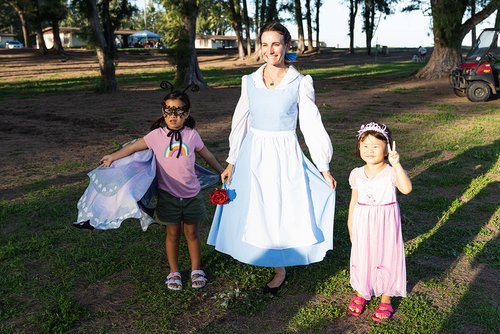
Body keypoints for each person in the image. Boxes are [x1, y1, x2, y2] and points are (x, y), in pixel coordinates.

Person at [207, 22, 336, 295]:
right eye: (265, 45)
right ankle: (255, 251)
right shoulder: (249, 81)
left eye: (276, 44)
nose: (270, 50)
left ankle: (280, 268)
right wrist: (231, 159)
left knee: (280, 208)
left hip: (284, 151)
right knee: (254, 207)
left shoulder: (299, 82)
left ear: (286, 46)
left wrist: (323, 166)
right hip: (254, 151)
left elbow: (311, 125)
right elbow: (240, 121)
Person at [100, 88, 224, 290]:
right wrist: (113, 156)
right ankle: (174, 272)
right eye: (169, 111)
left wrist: (221, 171)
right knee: (172, 235)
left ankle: (196, 270)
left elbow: (207, 155)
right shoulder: (155, 136)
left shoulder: (192, 136)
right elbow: (132, 148)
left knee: (192, 234)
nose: (173, 116)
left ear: (187, 113)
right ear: (163, 111)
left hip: (192, 196)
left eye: (179, 111)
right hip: (168, 197)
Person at [346, 122, 412, 322]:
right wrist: (351, 226)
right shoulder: (356, 173)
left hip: (386, 223)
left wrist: (397, 163)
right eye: (365, 145)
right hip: (363, 222)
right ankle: (362, 292)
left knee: (386, 257)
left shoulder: (391, 172)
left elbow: (406, 189)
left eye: (375, 146)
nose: (369, 150)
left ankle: (386, 297)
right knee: (363, 256)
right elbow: (353, 202)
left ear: (386, 148)